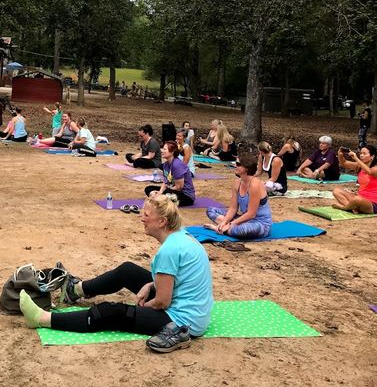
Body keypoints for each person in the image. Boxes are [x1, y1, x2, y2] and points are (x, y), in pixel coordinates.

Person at [17, 194, 214, 353]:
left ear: (162, 221)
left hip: (183, 321)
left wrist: (144, 307)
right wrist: (150, 284)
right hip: (192, 310)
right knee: (128, 271)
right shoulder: (181, 235)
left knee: (114, 312)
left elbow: (163, 302)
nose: (141, 217)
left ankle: (42, 319)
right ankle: (75, 290)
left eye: (147, 215)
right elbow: (179, 278)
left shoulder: (169, 250)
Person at [205, 154, 273, 239]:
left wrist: (230, 223)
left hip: (260, 224)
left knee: (242, 230)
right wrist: (225, 221)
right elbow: (233, 208)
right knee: (211, 210)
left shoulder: (255, 185)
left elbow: (251, 214)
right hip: (243, 220)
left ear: (246, 168)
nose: (235, 166)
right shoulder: (237, 183)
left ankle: (220, 229)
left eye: (238, 164)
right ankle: (224, 227)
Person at [331, 145, 377, 214]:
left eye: (364, 154)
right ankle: (352, 208)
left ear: (372, 156)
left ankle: (345, 208)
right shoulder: (359, 166)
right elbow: (344, 163)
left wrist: (356, 158)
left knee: (357, 199)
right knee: (336, 191)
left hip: (372, 205)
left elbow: (369, 171)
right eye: (361, 153)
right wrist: (340, 155)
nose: (361, 155)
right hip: (358, 198)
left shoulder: (376, 169)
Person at [144, 141, 196, 207]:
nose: (162, 151)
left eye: (165, 149)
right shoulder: (166, 164)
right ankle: (158, 199)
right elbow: (166, 182)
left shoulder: (177, 165)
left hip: (185, 195)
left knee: (166, 192)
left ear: (172, 152)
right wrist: (160, 192)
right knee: (148, 188)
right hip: (171, 189)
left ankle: (157, 199)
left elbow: (179, 187)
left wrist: (162, 193)